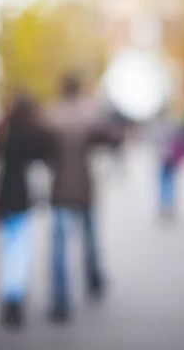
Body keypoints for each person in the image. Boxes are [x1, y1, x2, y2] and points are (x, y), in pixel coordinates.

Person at [45, 74, 124, 323]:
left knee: (58, 247)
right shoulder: (89, 114)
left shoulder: (51, 115)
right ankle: (94, 281)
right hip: (85, 189)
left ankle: (60, 301)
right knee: (89, 238)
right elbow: (113, 139)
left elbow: (39, 148)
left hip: (58, 190)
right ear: (78, 89)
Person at [0, 92, 56, 328]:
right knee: (19, 245)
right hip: (22, 194)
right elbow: (46, 152)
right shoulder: (32, 133)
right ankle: (13, 293)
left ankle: (10, 290)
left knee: (9, 245)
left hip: (5, 192)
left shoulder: (5, 131)